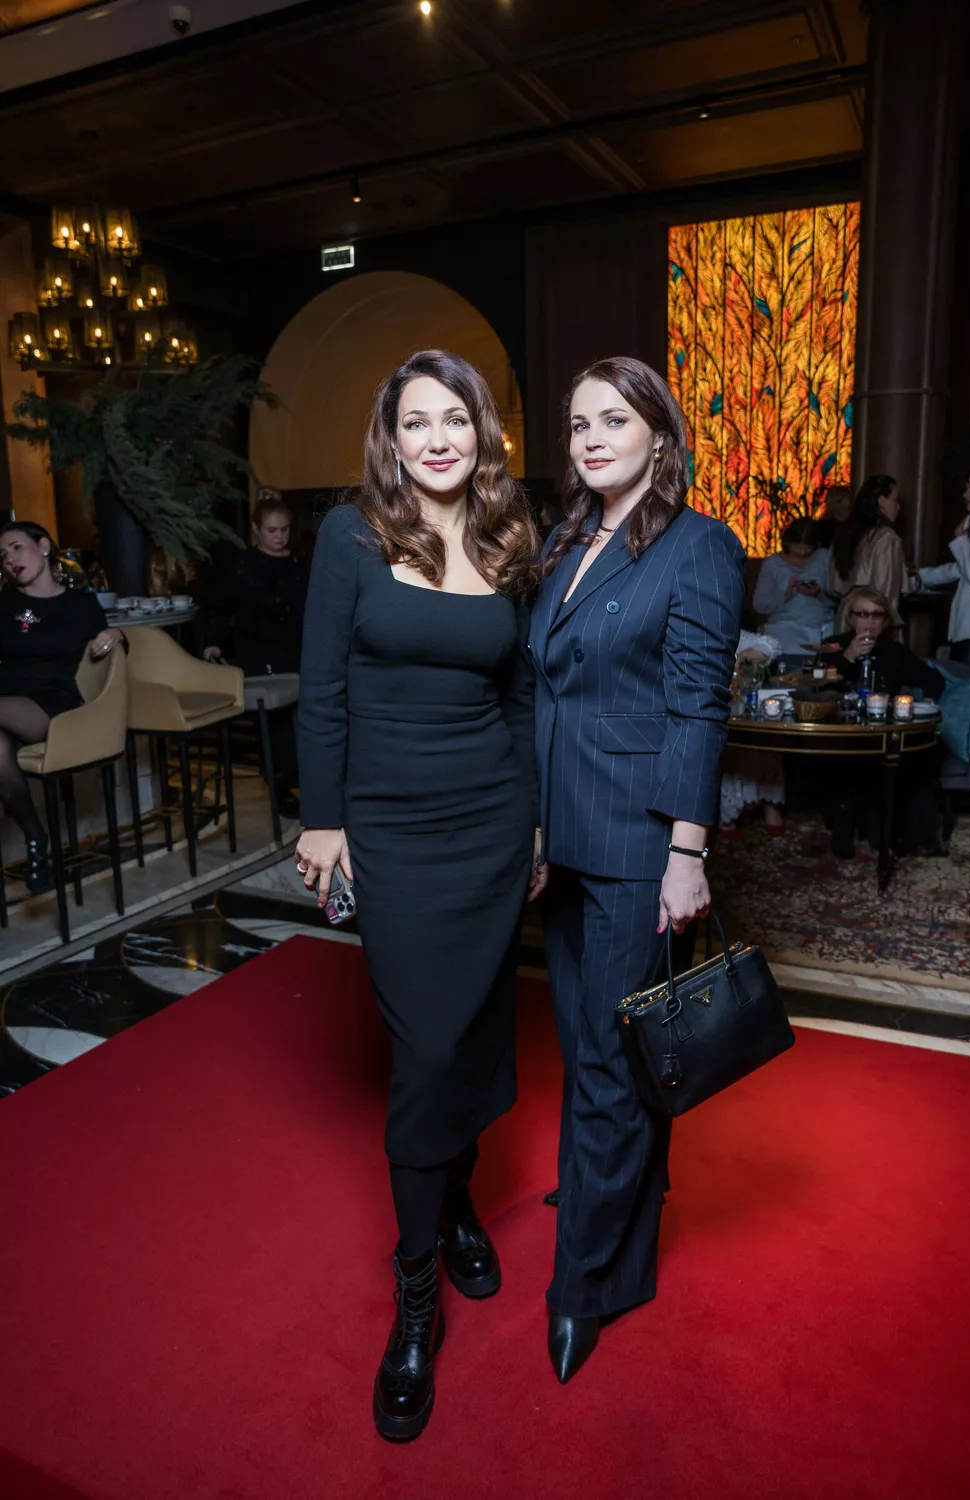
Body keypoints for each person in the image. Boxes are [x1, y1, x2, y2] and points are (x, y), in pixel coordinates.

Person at [294, 351, 543, 1443]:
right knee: (428, 1045)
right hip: (391, 832)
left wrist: (534, 823)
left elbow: (521, 698)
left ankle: (455, 1200)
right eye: (416, 422)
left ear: (481, 433)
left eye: (455, 419)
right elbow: (322, 690)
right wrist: (323, 820)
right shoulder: (350, 537)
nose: (437, 438)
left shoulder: (507, 539)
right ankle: (413, 1297)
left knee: (477, 1026)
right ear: (389, 439)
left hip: (491, 821)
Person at [529, 356, 743, 1384]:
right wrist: (533, 829)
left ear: (659, 432)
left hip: (637, 846)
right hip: (564, 840)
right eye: (578, 425)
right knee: (589, 1051)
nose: (592, 440)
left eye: (614, 420)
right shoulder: (566, 540)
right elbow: (547, 694)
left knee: (613, 1067)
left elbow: (700, 706)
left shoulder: (700, 545)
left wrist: (686, 852)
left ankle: (586, 1285)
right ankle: (615, 1204)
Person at [0, 521, 122, 892]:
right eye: (3, 555)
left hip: (52, 703)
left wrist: (116, 633)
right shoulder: (7, 604)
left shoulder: (79, 604)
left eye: (17, 548)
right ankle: (36, 839)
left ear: (43, 546)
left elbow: (113, 650)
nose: (10, 559)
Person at [202, 491, 307, 815]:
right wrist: (212, 642)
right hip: (260, 655)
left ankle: (309, 781)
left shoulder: (299, 564)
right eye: (272, 530)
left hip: (298, 651)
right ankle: (281, 785)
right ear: (256, 530)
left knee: (308, 718)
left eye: (284, 529)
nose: (279, 536)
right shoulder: (242, 567)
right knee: (277, 725)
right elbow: (219, 608)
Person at [825, 586, 945, 858]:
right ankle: (844, 822)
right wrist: (849, 657)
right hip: (840, 734)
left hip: (883, 732)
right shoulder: (833, 645)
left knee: (902, 766)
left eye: (877, 615)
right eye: (862, 614)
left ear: (885, 621)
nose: (869, 621)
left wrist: (918, 702)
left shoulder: (894, 651)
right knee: (849, 766)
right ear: (851, 618)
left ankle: (881, 826)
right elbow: (818, 687)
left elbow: (934, 681)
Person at [918, 465, 970, 674]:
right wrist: (921, 576)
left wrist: (962, 541)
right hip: (969, 627)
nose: (966, 494)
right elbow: (960, 569)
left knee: (969, 688)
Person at [720, 630, 785, 834]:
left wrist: (743, 656)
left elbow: (773, 645)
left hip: (742, 703)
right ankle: (728, 812)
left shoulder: (735, 634)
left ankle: (770, 804)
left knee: (765, 742)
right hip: (714, 707)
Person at [829, 473, 908, 632]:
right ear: (881, 501)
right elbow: (885, 593)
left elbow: (833, 585)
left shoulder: (846, 533)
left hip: (846, 617)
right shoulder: (885, 538)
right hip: (872, 622)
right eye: (895, 500)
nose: (898, 507)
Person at [752, 517, 835, 655]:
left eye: (808, 547)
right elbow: (760, 605)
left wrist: (818, 594)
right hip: (785, 627)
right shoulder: (772, 564)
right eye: (797, 546)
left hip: (823, 626)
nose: (802, 552)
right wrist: (787, 595)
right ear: (788, 542)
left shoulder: (825, 558)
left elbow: (840, 598)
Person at [812, 484, 853, 549]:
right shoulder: (823, 527)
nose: (847, 510)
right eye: (843, 506)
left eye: (848, 506)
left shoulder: (852, 525)